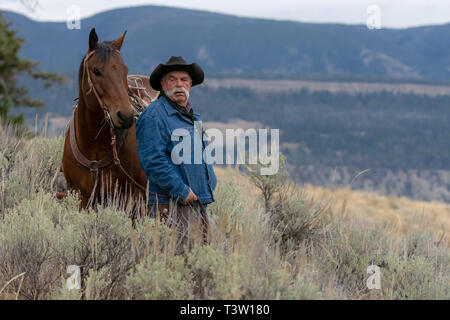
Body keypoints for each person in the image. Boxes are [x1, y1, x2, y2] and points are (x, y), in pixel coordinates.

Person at [136, 56, 217, 249]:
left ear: (190, 84)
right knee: (174, 264)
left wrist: (210, 183)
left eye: (184, 79)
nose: (179, 84)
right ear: (163, 85)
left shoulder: (192, 116)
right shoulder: (154, 115)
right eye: (172, 79)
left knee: (197, 264)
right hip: (170, 206)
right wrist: (182, 190)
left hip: (198, 205)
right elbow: (152, 161)